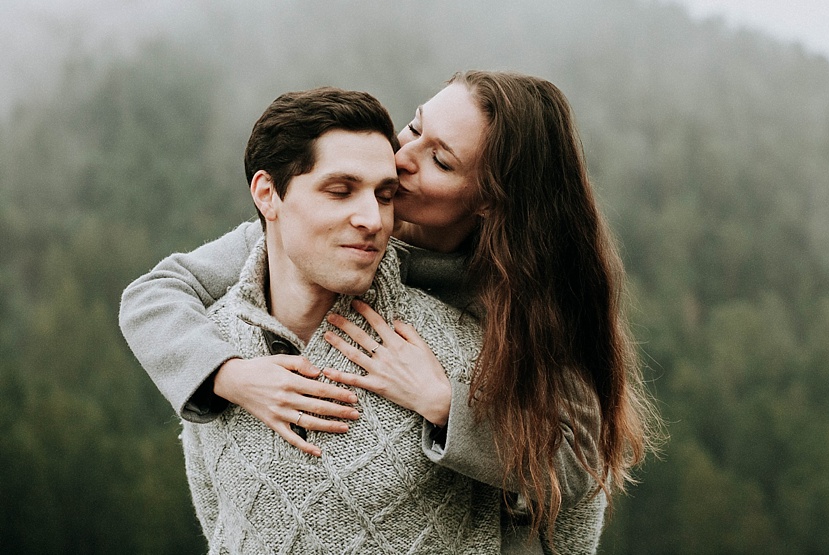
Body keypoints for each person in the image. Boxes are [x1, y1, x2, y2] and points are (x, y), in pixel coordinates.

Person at [120, 72, 653, 550]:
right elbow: (158, 292)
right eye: (415, 127)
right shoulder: (336, 233)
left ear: (491, 199)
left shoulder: (521, 298)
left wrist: (446, 404)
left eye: (440, 160)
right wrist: (229, 375)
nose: (402, 158)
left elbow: (579, 463)